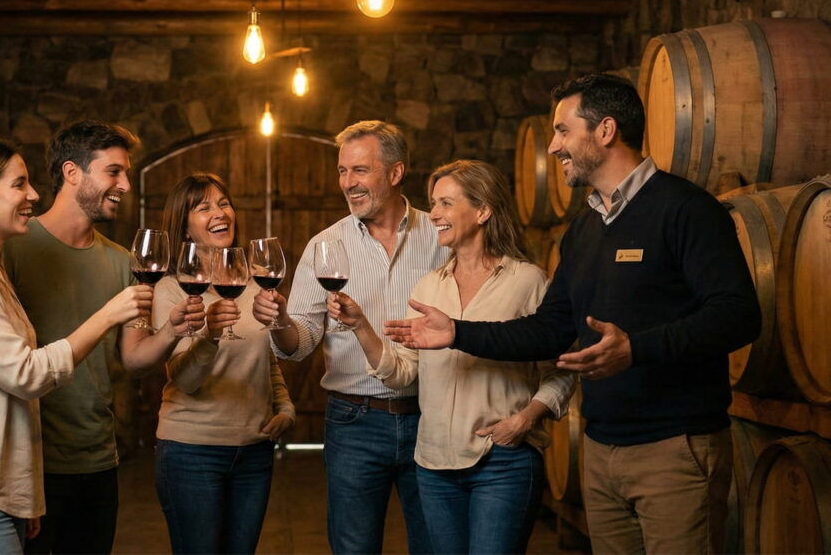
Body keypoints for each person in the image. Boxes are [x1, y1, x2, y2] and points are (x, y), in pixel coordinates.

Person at [384, 74, 762, 555]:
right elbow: (549, 330)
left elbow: (739, 315)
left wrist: (637, 348)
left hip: (674, 446)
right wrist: (458, 331)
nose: (553, 146)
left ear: (605, 130)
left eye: (563, 130)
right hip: (601, 449)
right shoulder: (584, 231)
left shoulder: (686, 209)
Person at [0, 137, 153, 554]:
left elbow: (3, 399)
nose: (33, 194)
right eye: (19, 184)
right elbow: (24, 374)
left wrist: (24, 495)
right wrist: (108, 315)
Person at [330, 159, 575, 555]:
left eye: (446, 203)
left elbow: (561, 368)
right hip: (434, 465)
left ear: (483, 211)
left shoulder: (526, 280)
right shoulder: (429, 287)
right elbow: (402, 373)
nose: (434, 215)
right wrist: (361, 327)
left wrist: (525, 419)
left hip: (502, 460)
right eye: (433, 204)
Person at [3, 121, 205, 555]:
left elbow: (134, 359)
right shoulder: (13, 249)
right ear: (72, 172)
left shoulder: (122, 262)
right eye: (114, 172)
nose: (125, 185)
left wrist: (173, 330)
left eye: (125, 173)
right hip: (31, 462)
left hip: (97, 459)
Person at [253, 120, 446, 555]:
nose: (347, 183)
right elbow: (300, 343)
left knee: (435, 544)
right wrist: (280, 321)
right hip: (354, 421)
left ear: (395, 173)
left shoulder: (441, 236)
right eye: (342, 171)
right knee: (353, 548)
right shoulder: (327, 245)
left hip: (432, 414)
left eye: (360, 170)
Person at [151, 172, 295, 554]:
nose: (220, 213)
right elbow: (185, 381)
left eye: (224, 203)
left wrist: (285, 406)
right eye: (204, 208)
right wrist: (211, 336)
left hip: (254, 452)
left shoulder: (253, 285)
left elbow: (264, 359)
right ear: (185, 228)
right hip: (192, 452)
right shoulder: (171, 290)